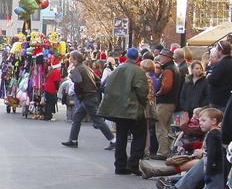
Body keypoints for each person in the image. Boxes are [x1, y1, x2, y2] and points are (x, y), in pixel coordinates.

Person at [98, 47, 148, 175]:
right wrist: (143, 103)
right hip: (132, 109)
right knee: (139, 136)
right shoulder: (138, 71)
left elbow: (106, 86)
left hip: (119, 110)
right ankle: (133, 163)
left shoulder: (117, 70)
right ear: (137, 58)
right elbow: (142, 91)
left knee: (121, 137)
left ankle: (120, 165)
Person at [62, 51, 114, 149]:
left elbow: (77, 82)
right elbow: (98, 80)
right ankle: (73, 140)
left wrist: (80, 94)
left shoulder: (76, 70)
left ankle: (113, 140)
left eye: (71, 58)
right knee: (77, 117)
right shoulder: (86, 68)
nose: (70, 60)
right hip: (91, 96)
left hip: (87, 97)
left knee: (98, 121)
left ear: (75, 59)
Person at [192, 107, 227, 189]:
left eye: (203, 120)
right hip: (220, 171)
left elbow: (213, 155)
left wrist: (209, 172)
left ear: (213, 121)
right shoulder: (219, 133)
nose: (200, 122)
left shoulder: (213, 134)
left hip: (215, 172)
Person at [153, 49, 183, 158]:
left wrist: (158, 93)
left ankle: (162, 152)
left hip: (165, 102)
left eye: (161, 55)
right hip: (171, 101)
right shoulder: (174, 68)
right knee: (167, 128)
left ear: (167, 57)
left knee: (160, 127)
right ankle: (168, 149)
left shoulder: (169, 70)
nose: (160, 57)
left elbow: (166, 86)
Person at [179, 61, 209, 125]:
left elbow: (207, 96)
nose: (199, 70)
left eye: (200, 68)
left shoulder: (205, 81)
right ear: (192, 69)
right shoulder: (188, 81)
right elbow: (183, 95)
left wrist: (201, 106)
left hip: (199, 110)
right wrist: (184, 107)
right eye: (197, 68)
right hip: (187, 110)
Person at [206, 40, 232, 109]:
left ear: (220, 51)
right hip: (227, 97)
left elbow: (212, 79)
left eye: (217, 49)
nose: (216, 51)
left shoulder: (222, 64)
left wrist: (208, 76)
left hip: (219, 101)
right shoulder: (229, 61)